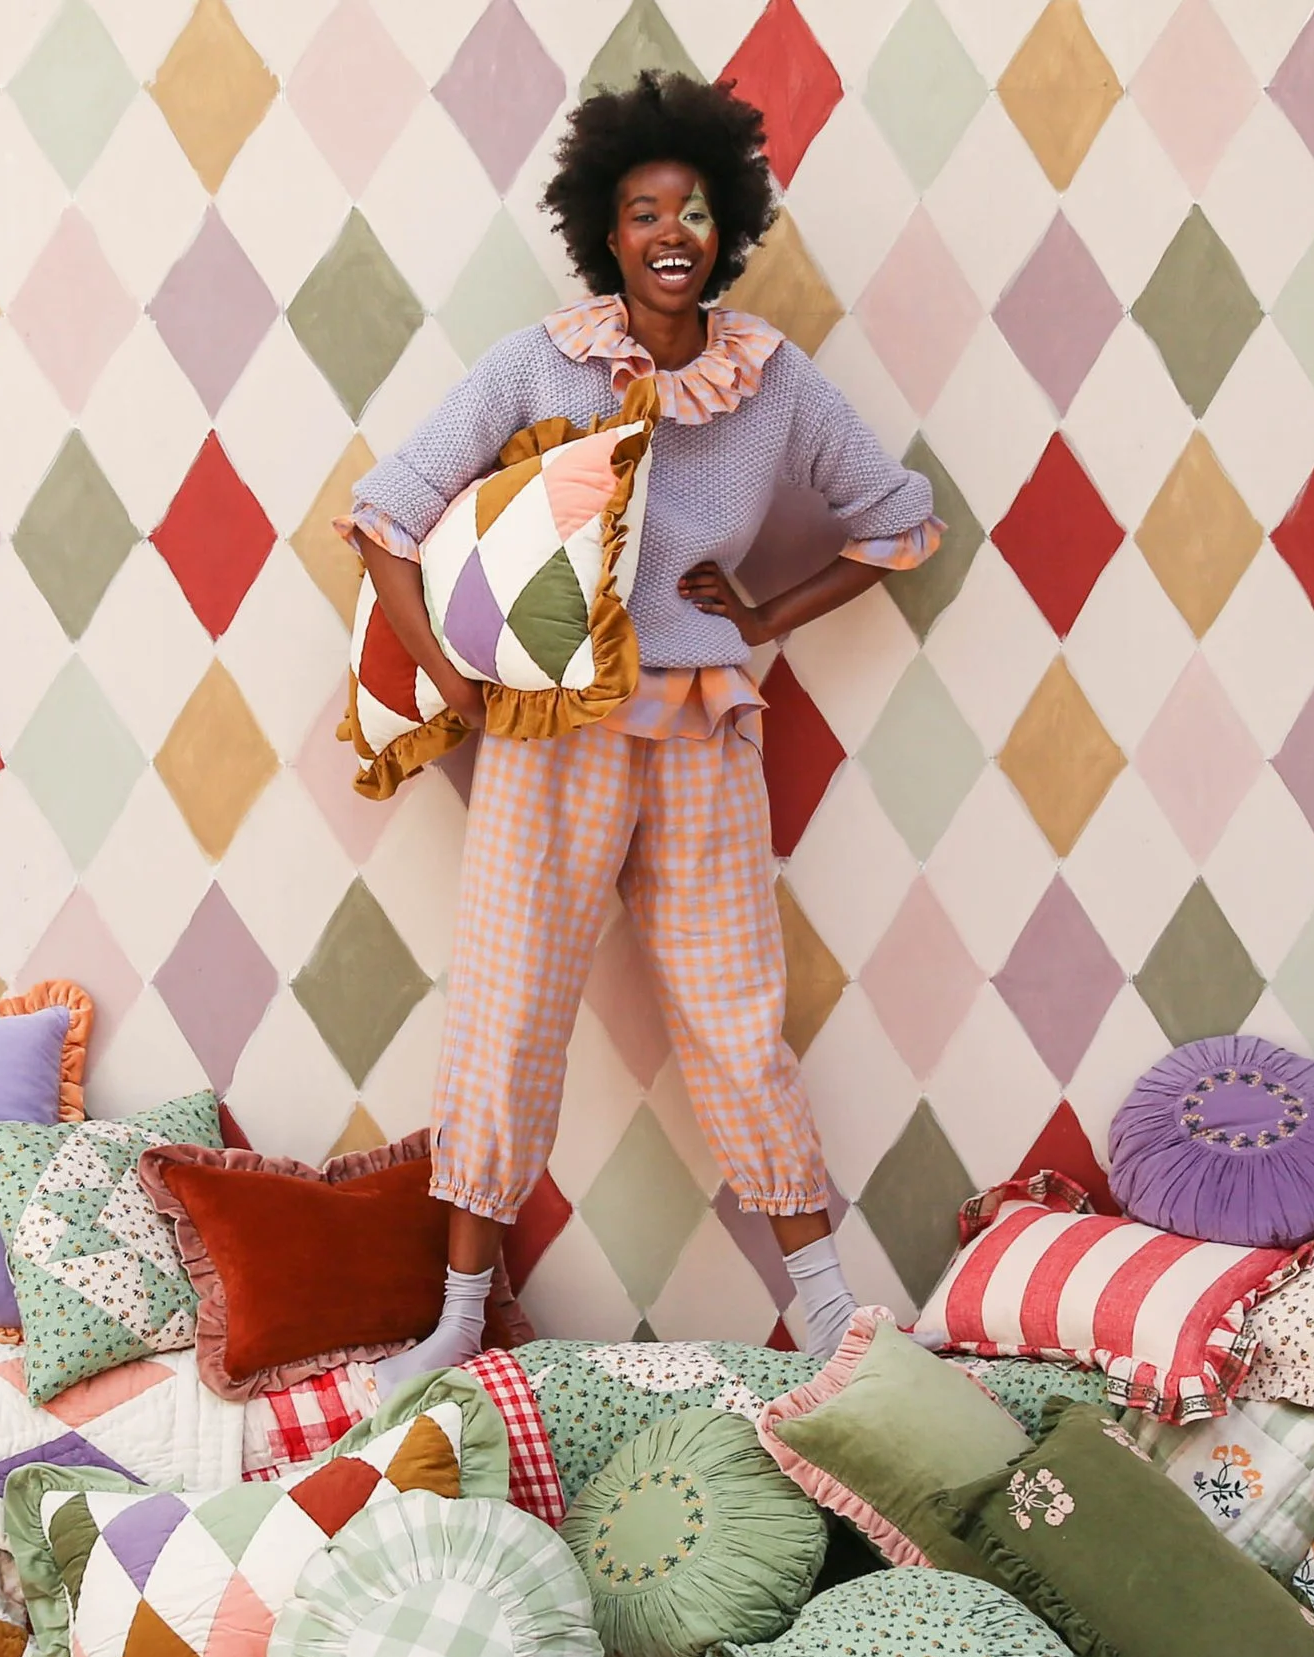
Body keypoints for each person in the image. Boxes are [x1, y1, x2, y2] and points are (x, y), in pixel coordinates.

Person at [338, 72, 942, 1386]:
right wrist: (449, 664)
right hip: (553, 730)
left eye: (696, 209)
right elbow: (388, 511)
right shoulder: (541, 361)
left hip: (703, 731)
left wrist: (771, 603)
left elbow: (898, 520)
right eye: (642, 209)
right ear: (603, 234)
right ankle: (456, 1313)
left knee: (738, 1019)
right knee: (505, 1014)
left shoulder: (772, 383)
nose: (672, 230)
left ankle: (832, 1309)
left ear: (728, 229)